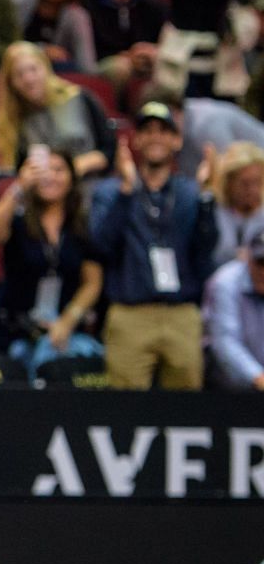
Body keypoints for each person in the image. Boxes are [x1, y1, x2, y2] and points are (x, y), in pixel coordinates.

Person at [92, 101, 218, 390]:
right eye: (147, 130)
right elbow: (101, 246)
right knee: (126, 409)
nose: (155, 137)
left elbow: (205, 249)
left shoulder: (189, 192)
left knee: (185, 409)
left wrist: (208, 198)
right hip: (130, 312)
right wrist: (126, 193)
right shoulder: (111, 191)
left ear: (177, 140)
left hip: (180, 312)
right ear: (136, 139)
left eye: (164, 131)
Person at [0, 147, 104, 374]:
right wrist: (19, 188)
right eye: (43, 170)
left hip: (66, 332)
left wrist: (67, 322)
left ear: (71, 178)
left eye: (59, 170)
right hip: (18, 331)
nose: (50, 177)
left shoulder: (81, 226)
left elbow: (92, 282)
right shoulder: (19, 220)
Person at [0, 41, 109, 178]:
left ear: (46, 68)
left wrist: (75, 167)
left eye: (33, 69)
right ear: (10, 82)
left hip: (90, 181)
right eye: (19, 74)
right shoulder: (13, 120)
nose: (29, 79)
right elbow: (17, 169)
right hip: (45, 192)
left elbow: (109, 149)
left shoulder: (79, 98)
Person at [204, 247, 264, 391]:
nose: (263, 271)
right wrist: (258, 376)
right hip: (229, 387)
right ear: (248, 260)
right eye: (260, 263)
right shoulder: (225, 281)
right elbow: (225, 341)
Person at [210, 141, 264, 269]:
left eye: (257, 182)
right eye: (245, 183)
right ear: (228, 182)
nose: (252, 189)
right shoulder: (213, 212)